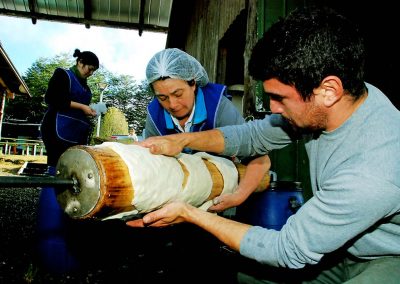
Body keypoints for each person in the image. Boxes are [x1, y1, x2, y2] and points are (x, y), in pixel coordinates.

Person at [127, 6, 400, 283]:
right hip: (343, 246)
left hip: (388, 258)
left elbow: (287, 249)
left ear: (328, 91)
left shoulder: (373, 171)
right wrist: (181, 139)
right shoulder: (346, 97)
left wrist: (190, 213)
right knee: (246, 276)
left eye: (280, 98)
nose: (272, 108)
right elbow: (251, 136)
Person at [144, 48, 271, 212]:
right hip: (172, 203)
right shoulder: (154, 116)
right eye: (163, 98)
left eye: (178, 93)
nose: (172, 104)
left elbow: (261, 160)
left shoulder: (218, 107)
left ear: (193, 83)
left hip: (214, 204)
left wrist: (238, 196)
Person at [37, 49, 99, 274]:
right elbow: (52, 99)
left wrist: (90, 112)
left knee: (72, 175)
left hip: (74, 134)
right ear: (79, 61)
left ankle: (71, 239)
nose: (89, 73)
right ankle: (52, 245)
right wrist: (82, 107)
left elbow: (80, 111)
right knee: (57, 171)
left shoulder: (87, 88)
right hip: (56, 131)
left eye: (93, 71)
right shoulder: (63, 74)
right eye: (88, 68)